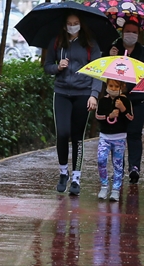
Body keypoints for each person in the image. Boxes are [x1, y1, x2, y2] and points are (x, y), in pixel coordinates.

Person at [43, 13, 100, 195]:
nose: (73, 26)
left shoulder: (90, 44)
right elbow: (47, 66)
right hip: (61, 93)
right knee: (62, 133)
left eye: (76, 23)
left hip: (83, 93)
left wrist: (94, 95)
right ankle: (63, 172)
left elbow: (97, 72)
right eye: (69, 23)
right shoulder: (57, 42)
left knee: (77, 136)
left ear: (81, 25)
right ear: (64, 25)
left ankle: (76, 177)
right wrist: (57, 67)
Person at [107, 19, 144, 184]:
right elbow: (103, 74)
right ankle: (118, 168)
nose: (131, 35)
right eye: (128, 31)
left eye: (134, 32)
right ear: (122, 32)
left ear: (139, 34)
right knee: (117, 137)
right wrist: (110, 58)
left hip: (138, 101)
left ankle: (134, 168)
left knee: (134, 135)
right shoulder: (114, 49)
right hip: (118, 101)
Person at [95, 78, 133, 201]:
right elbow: (97, 116)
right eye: (110, 85)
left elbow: (131, 118)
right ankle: (104, 185)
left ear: (122, 87)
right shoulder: (102, 101)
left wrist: (123, 109)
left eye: (116, 86)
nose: (113, 88)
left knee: (118, 164)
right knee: (101, 160)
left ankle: (116, 189)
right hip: (104, 137)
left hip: (119, 138)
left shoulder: (125, 101)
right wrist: (108, 116)